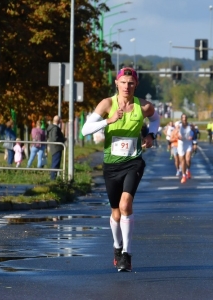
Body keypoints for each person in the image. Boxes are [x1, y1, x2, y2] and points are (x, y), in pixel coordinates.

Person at [81, 67, 160, 272]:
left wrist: (151, 136)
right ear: (116, 83)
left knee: (126, 204)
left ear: (136, 85)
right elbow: (85, 130)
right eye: (123, 82)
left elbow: (156, 119)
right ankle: (117, 247)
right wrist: (108, 120)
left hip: (133, 161)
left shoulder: (143, 106)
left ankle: (127, 254)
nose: (127, 86)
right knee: (115, 212)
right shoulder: (107, 104)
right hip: (111, 163)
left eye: (131, 83)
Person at [46, 116, 66, 180]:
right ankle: (53, 179)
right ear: (58, 121)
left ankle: (53, 177)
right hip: (57, 148)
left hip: (53, 147)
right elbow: (55, 138)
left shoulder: (51, 127)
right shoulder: (55, 128)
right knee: (55, 163)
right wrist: (63, 139)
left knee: (55, 163)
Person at [178, 114, 193, 184]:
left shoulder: (190, 126)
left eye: (185, 117)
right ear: (181, 119)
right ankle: (184, 176)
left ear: (187, 118)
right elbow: (175, 133)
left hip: (188, 143)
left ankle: (188, 170)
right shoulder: (178, 125)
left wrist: (192, 136)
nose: (184, 119)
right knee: (182, 161)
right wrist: (178, 136)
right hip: (181, 144)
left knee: (188, 159)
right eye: (183, 118)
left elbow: (194, 133)